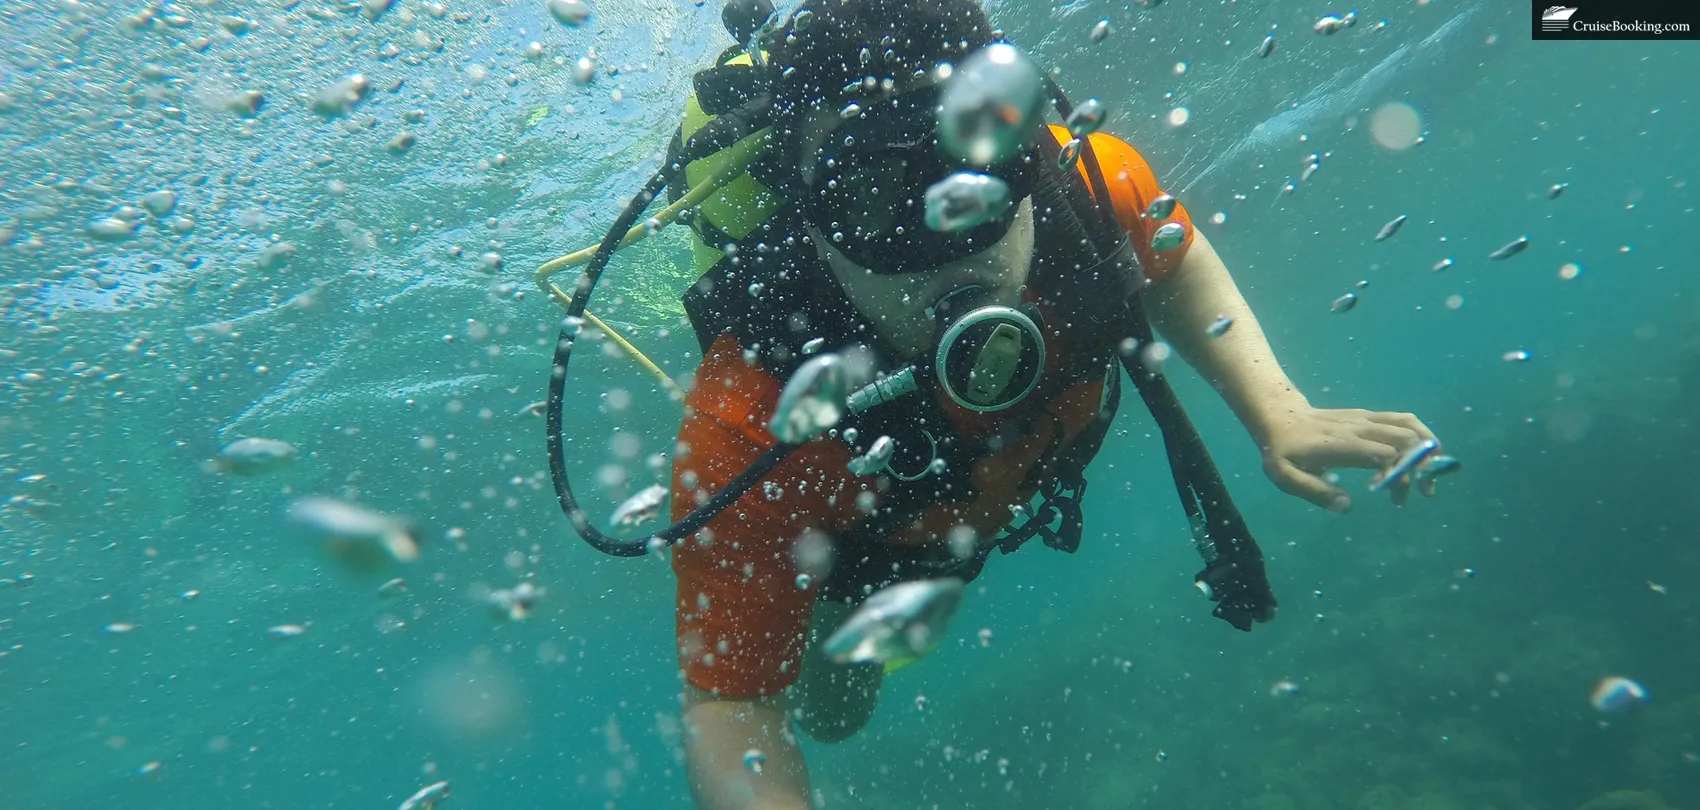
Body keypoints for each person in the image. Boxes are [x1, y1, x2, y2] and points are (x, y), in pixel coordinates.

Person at [539, 1, 1443, 808]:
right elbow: (733, 708)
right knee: (838, 709)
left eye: (977, 162)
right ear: (808, 221)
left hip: (990, 488)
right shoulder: (751, 419)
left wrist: (1277, 410)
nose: (948, 243)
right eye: (872, 198)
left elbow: (1176, 259)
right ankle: (827, 635)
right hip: (873, 543)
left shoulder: (1088, 190)